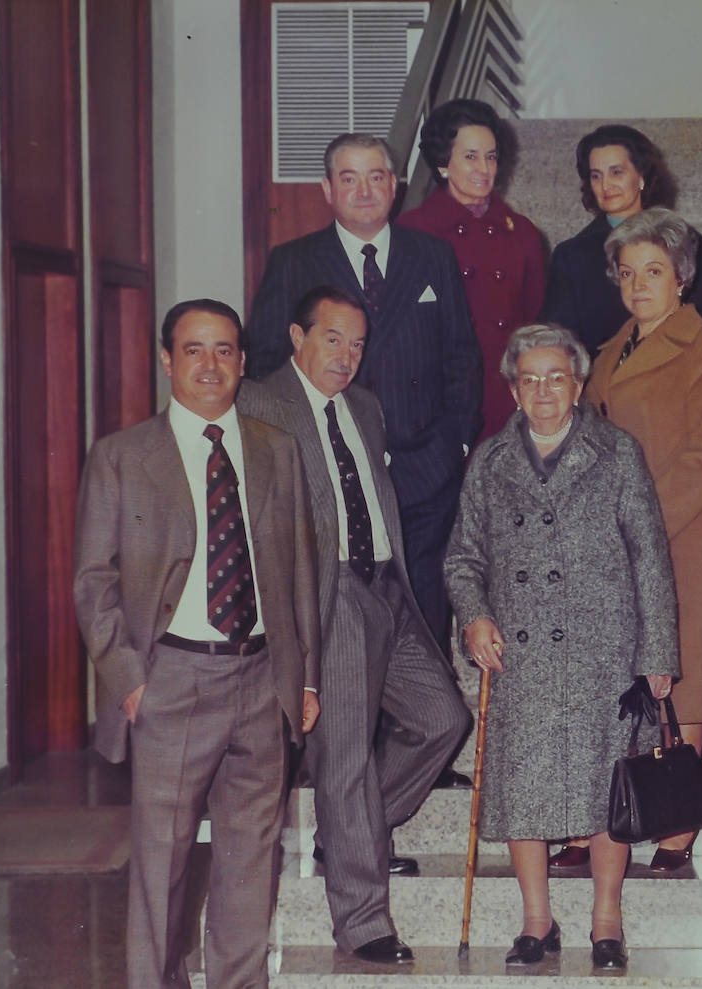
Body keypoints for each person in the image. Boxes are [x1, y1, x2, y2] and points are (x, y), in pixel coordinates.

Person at [73, 299, 320, 988]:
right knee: (162, 866)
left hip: (262, 679)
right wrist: (131, 679)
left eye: (224, 350)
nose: (210, 364)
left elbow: (300, 572)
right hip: (171, 681)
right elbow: (93, 582)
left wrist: (304, 677)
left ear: (242, 361)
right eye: (193, 349)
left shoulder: (277, 449)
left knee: (250, 864)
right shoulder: (122, 457)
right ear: (166, 360)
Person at [237, 286, 471, 965]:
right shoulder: (260, 404)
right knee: (345, 758)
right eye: (332, 338)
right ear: (297, 337)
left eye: (357, 344)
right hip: (329, 592)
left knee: (444, 718)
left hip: (388, 586)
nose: (346, 355)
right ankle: (363, 922)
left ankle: (348, 837)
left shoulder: (365, 408)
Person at [444, 323, 679, 973]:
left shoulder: (617, 453)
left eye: (556, 377)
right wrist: (474, 617)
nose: (543, 390)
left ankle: (607, 923)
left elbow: (651, 559)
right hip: (519, 656)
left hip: (604, 652)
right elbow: (463, 557)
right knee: (524, 789)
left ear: (578, 385)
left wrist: (657, 653)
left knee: (606, 789)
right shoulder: (490, 462)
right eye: (530, 379)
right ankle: (536, 922)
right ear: (514, 391)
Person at [245, 132, 481, 656]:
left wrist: (455, 445)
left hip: (422, 470)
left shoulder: (433, 256)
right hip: (331, 471)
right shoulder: (293, 261)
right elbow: (264, 365)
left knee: (424, 621)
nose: (365, 191)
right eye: (349, 179)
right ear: (328, 190)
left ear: (395, 185)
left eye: (376, 177)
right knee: (343, 628)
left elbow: (461, 357)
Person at [584, 207, 702, 871]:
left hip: (685, 532)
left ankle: (679, 819)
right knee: (625, 674)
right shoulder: (609, 350)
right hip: (616, 535)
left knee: (686, 673)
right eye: (628, 273)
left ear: (681, 277)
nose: (639, 284)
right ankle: (613, 813)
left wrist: (636, 525)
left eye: (653, 271)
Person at [395, 98, 546, 439]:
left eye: (491, 156)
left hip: (507, 398)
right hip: (442, 403)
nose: (484, 168)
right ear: (443, 163)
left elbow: (535, 318)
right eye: (470, 156)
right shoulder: (413, 230)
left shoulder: (522, 232)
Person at [539, 124, 702, 356]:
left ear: (641, 176)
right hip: (600, 376)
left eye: (616, 172)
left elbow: (700, 321)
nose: (606, 185)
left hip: (673, 369)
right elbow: (560, 340)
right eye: (596, 176)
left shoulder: (688, 241)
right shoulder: (571, 255)